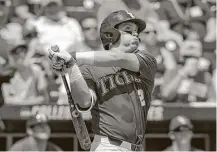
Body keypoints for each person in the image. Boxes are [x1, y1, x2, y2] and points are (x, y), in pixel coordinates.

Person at [48, 10, 157, 151]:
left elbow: (118, 58)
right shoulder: (89, 68)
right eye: (128, 30)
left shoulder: (146, 60)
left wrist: (72, 56)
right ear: (110, 34)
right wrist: (72, 68)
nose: (135, 34)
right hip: (108, 146)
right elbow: (84, 102)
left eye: (137, 31)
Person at [1, 40, 49, 105]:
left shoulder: (36, 70)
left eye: (23, 50)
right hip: (15, 112)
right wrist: (20, 101)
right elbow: (7, 99)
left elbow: (44, 97)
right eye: (16, 52)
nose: (21, 54)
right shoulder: (7, 74)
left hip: (34, 110)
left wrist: (27, 102)